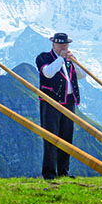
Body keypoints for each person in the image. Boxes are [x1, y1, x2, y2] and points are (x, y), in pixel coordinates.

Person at [35, 32, 86, 180]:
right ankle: (49, 173)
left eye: (66, 45)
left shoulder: (70, 60)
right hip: (50, 102)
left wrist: (75, 61)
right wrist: (61, 59)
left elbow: (82, 75)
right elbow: (48, 73)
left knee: (66, 137)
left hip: (69, 102)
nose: (64, 47)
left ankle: (64, 171)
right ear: (53, 45)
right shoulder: (43, 57)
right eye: (61, 45)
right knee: (51, 137)